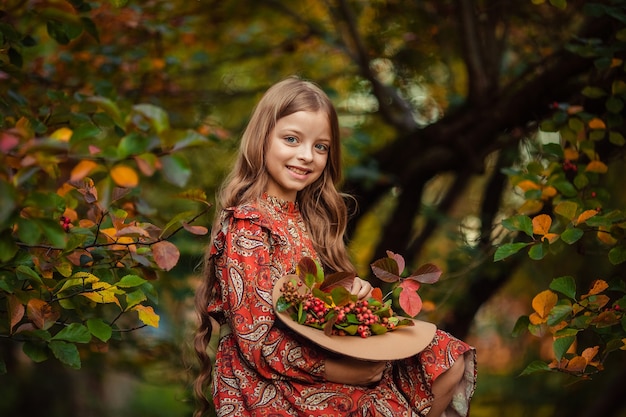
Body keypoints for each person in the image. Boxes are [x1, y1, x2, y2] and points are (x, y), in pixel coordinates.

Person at [193, 76, 476, 417]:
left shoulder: (304, 220)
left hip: (310, 362)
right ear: (262, 138)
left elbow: (308, 310)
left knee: (444, 356)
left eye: (320, 146)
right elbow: (255, 340)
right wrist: (346, 372)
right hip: (268, 381)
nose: (306, 156)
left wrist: (347, 295)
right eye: (291, 139)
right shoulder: (249, 225)